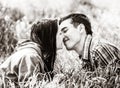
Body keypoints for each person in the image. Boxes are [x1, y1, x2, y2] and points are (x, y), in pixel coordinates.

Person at [0, 19, 60, 87]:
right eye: (60, 33)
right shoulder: (30, 56)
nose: (64, 36)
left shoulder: (35, 54)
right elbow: (29, 86)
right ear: (50, 37)